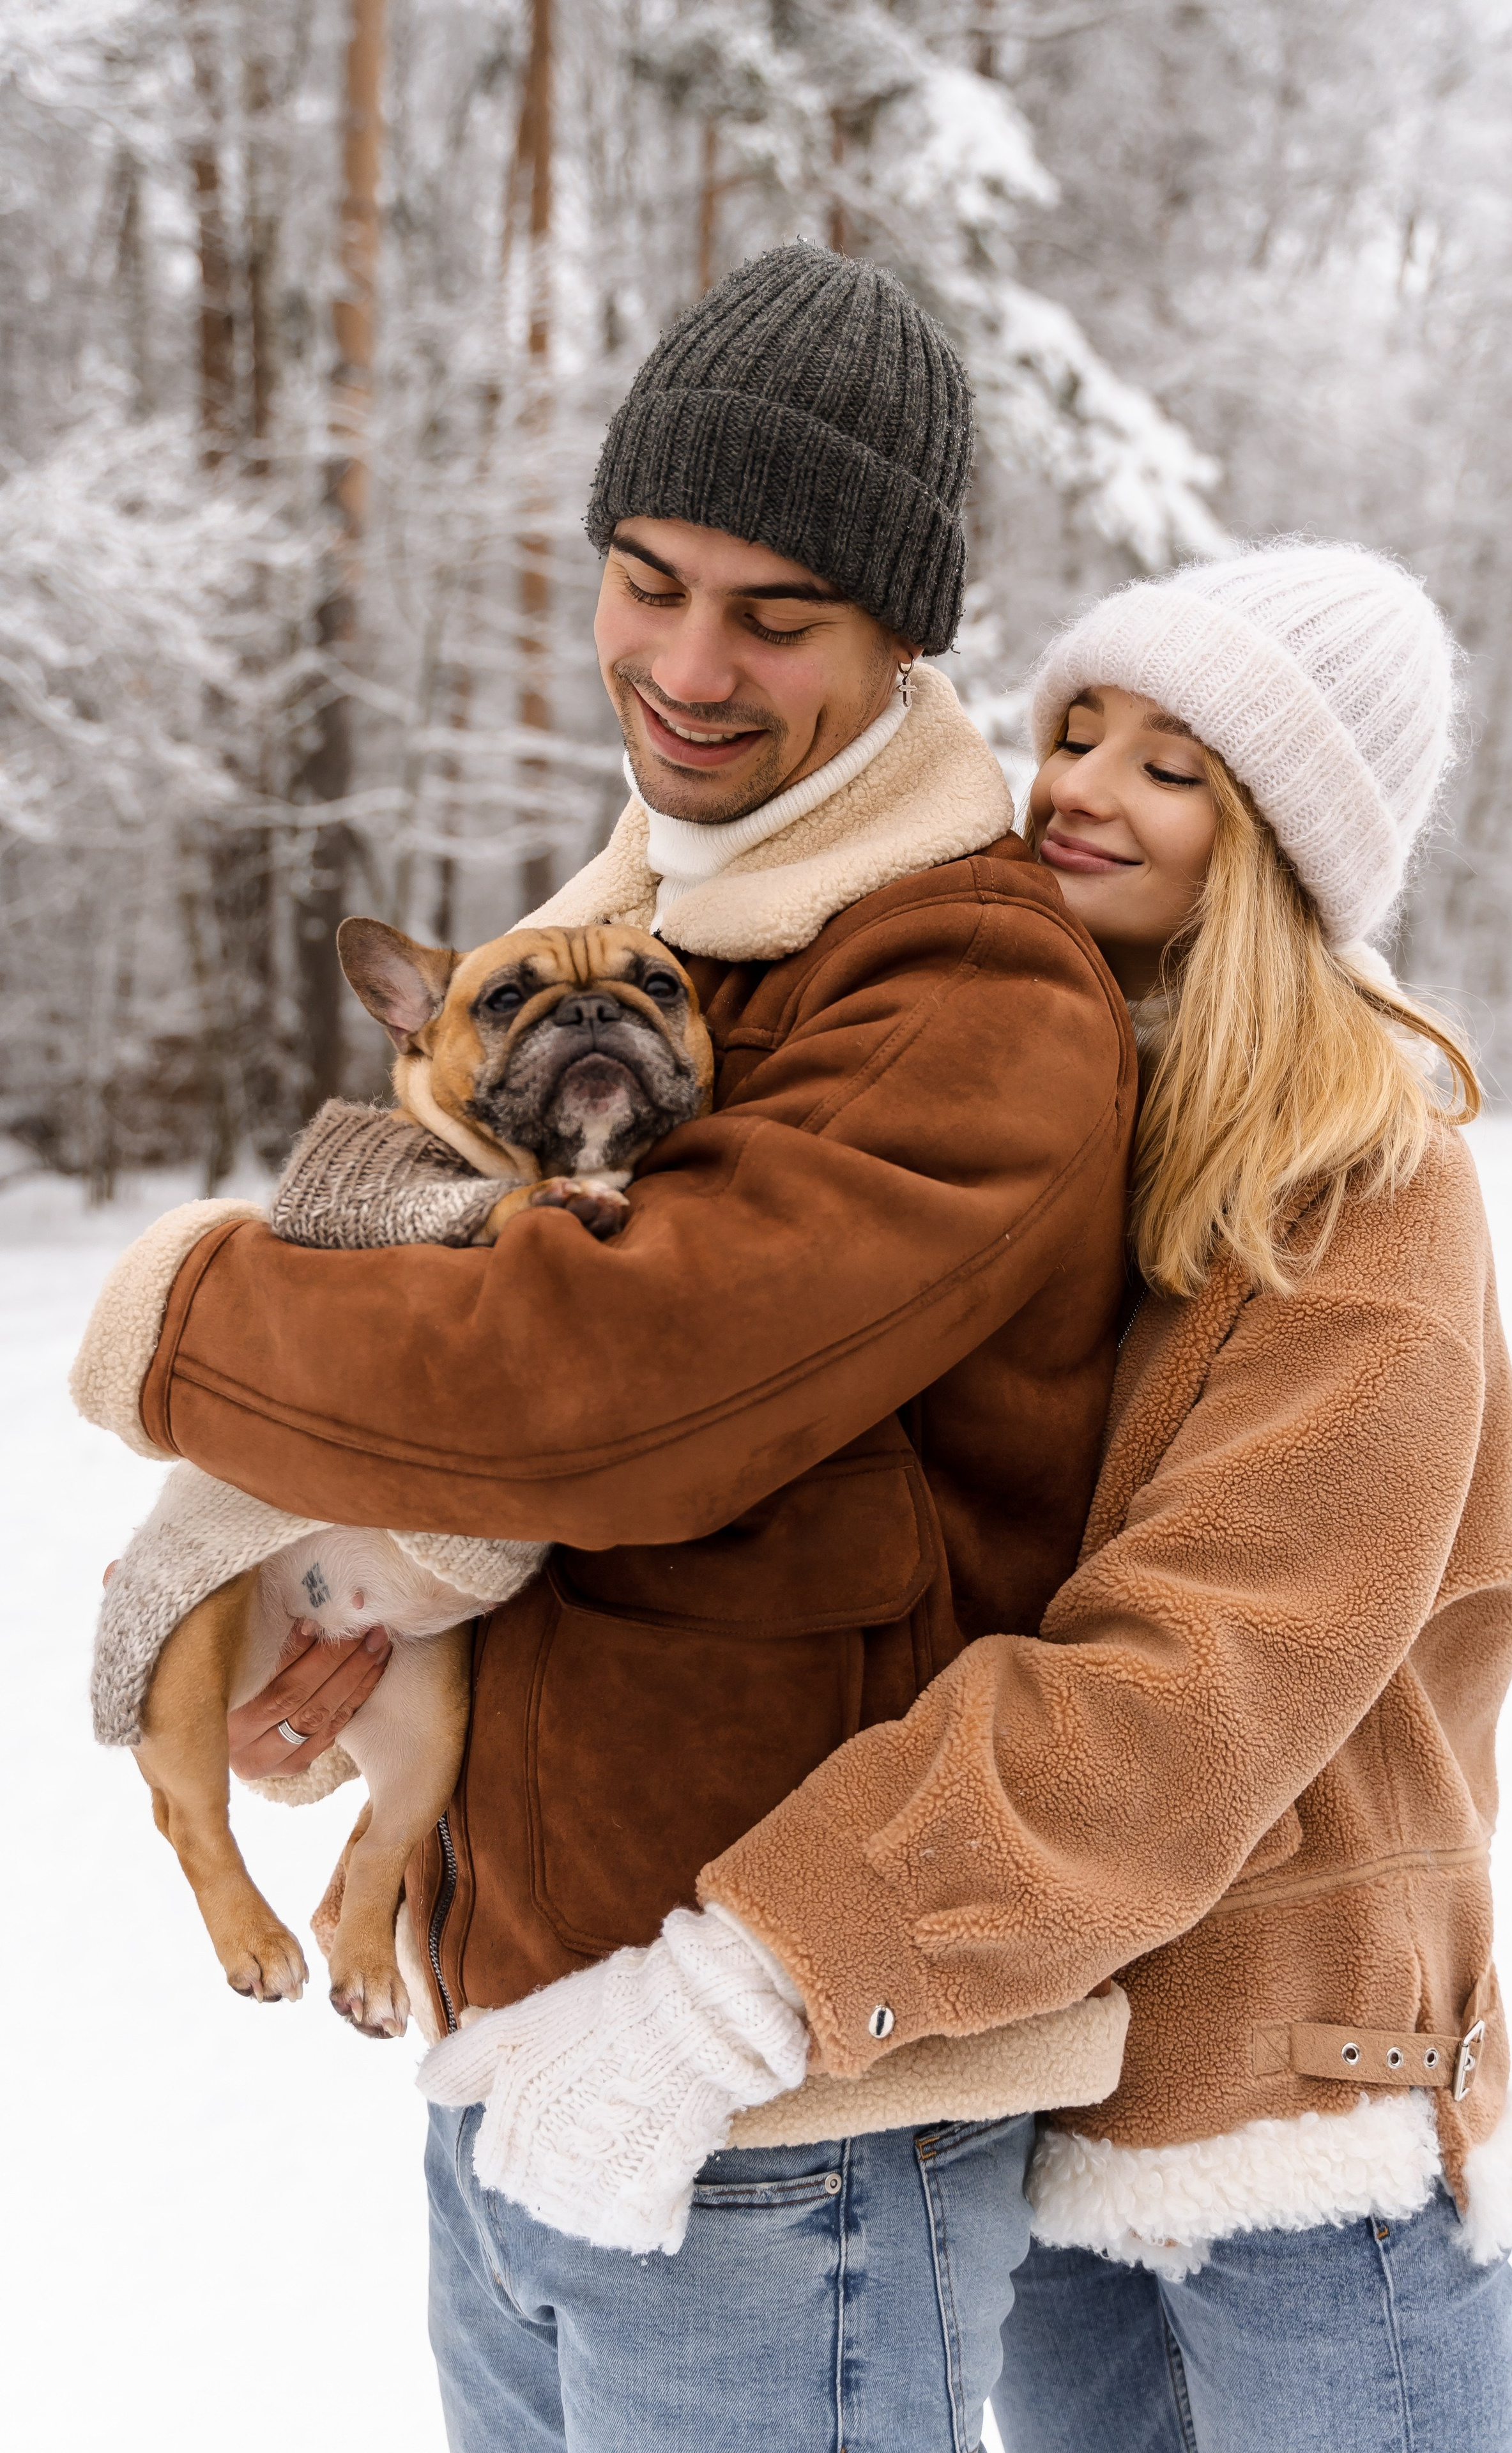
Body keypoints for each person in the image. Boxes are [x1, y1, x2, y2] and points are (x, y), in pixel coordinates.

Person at [119, 244, 1136, 2451]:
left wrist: (177, 1310)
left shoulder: (963, 990)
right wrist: (361, 1653)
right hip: (522, 2054)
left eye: (778, 617)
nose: (685, 665)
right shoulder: (669, 938)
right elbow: (489, 1459)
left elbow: (618, 1394)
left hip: (786, 2110)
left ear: (901, 638)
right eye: (646, 579)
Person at [688, 542, 1512, 2452]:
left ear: (1280, 849)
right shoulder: (1046, 1112)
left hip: (1301, 2111)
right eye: (1078, 730)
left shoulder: (1362, 1178)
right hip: (1047, 2064)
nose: (1079, 786)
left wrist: (785, 1947)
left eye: (1174, 767)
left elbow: (1204, 1674)